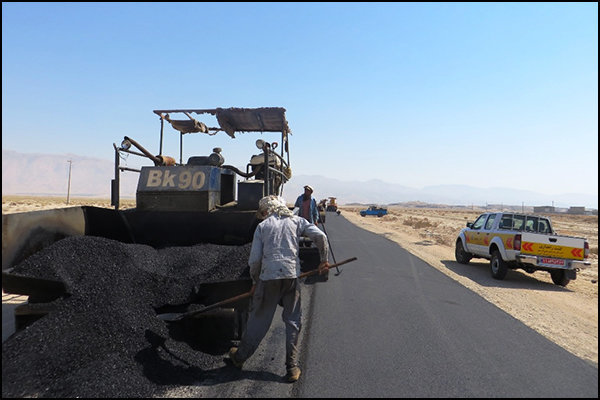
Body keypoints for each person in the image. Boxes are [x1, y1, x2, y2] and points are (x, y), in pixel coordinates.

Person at [228, 195, 330, 383]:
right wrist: (324, 260)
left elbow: (255, 260)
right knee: (293, 321)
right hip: (292, 276)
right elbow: (321, 236)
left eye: (263, 213)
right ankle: (292, 368)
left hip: (269, 279)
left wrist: (254, 281)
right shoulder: (297, 221)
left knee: (259, 320)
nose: (263, 215)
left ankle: (240, 357)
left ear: (267, 211)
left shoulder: (263, 227)